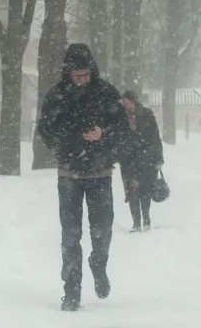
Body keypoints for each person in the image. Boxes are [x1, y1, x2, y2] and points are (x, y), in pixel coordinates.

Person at [37, 43, 126, 312]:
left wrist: (103, 134)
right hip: (69, 173)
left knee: (102, 230)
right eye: (77, 76)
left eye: (86, 74)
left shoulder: (107, 93)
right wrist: (70, 140)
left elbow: (122, 130)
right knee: (70, 234)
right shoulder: (57, 96)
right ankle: (71, 290)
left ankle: (99, 265)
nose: (82, 80)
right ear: (68, 73)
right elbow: (45, 131)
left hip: (100, 172)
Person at [119, 91, 164, 232]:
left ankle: (146, 220)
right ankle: (136, 223)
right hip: (128, 160)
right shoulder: (121, 117)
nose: (124, 104)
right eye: (123, 101)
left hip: (146, 159)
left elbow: (155, 137)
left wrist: (158, 158)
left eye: (126, 101)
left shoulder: (146, 114)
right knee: (131, 192)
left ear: (133, 101)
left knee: (145, 191)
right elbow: (117, 138)